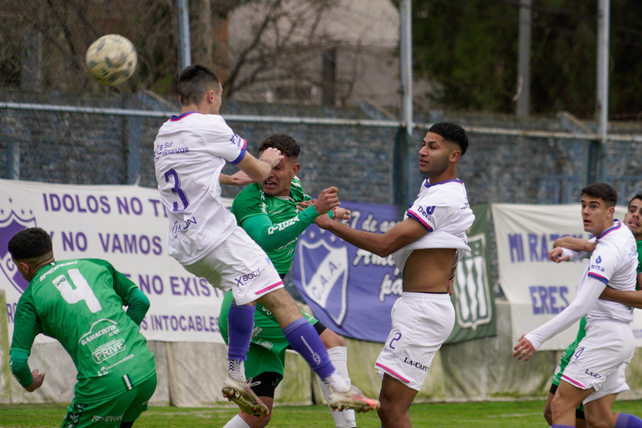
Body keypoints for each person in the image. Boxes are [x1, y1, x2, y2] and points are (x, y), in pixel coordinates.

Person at [152, 64, 378, 417]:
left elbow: (190, 177)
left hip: (184, 243)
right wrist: (265, 162)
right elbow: (260, 173)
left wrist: (229, 179)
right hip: (215, 236)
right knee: (284, 304)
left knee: (246, 289)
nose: (219, 105)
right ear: (211, 96)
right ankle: (338, 385)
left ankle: (234, 374)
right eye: (220, 98)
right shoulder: (211, 125)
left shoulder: (166, 132)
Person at [314, 122, 474, 428]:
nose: (422, 151)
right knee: (389, 408)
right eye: (424, 144)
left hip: (423, 310)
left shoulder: (444, 197)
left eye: (433, 146)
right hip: (421, 306)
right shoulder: (435, 190)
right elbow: (456, 240)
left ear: (454, 156)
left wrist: (330, 225)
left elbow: (385, 245)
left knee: (391, 409)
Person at [218, 134, 359, 428]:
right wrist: (315, 211)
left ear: (294, 171)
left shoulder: (294, 189)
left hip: (266, 299)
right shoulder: (249, 199)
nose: (268, 174)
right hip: (252, 301)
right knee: (331, 342)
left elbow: (299, 207)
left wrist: (332, 212)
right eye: (264, 165)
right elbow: (267, 238)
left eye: (278, 168)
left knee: (259, 415)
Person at [513, 183, 642, 428]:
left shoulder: (611, 247)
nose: (586, 211)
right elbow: (591, 246)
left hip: (605, 338)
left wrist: (536, 337)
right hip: (614, 337)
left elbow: (582, 306)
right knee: (598, 418)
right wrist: (570, 251)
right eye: (583, 205)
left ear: (609, 211)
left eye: (594, 206)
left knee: (560, 406)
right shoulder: (619, 231)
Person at [8, 227, 157, 428]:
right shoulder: (95, 265)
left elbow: (17, 362)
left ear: (24, 267)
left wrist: (30, 383)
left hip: (104, 383)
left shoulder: (30, 299)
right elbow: (141, 301)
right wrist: (125, 338)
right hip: (144, 369)